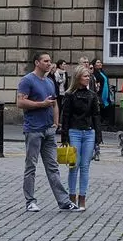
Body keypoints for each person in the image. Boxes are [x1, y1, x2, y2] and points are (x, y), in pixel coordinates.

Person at [17, 52, 80, 213]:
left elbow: (54, 103)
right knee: (31, 166)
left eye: (50, 61)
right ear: (37, 62)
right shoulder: (27, 80)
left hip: (48, 130)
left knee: (53, 167)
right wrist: (41, 104)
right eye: (46, 61)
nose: (49, 63)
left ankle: (64, 201)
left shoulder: (50, 81)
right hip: (33, 129)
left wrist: (56, 122)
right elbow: (20, 102)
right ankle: (30, 201)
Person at [60, 67, 103, 211]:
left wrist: (98, 136)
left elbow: (96, 116)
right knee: (74, 165)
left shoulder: (92, 95)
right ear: (78, 78)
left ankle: (82, 198)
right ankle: (72, 197)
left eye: (88, 76)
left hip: (89, 132)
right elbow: (65, 116)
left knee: (85, 167)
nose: (87, 78)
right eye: (85, 76)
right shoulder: (70, 95)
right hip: (74, 132)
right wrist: (64, 136)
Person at [92, 59, 115, 134]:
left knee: (109, 108)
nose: (100, 63)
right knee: (100, 110)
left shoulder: (102, 72)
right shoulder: (94, 73)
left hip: (106, 93)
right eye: (98, 62)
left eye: (100, 62)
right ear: (94, 65)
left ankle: (109, 126)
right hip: (100, 94)